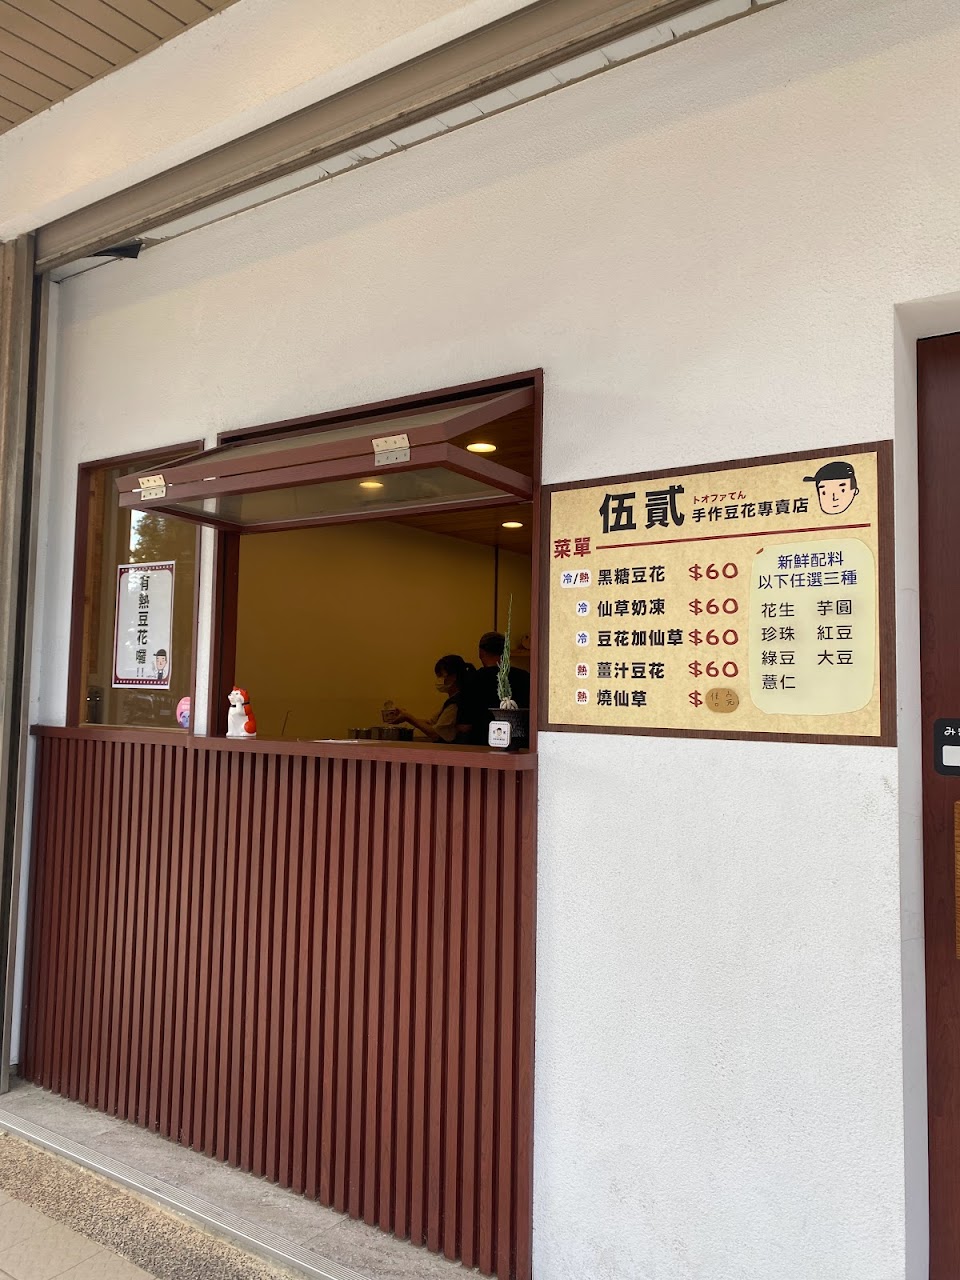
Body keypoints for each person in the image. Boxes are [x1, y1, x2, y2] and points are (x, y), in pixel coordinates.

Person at [386, 654, 475, 744]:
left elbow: (436, 734)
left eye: (441, 675)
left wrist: (408, 717)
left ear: (454, 676)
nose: (439, 680)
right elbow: (431, 723)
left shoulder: (457, 703)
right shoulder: (451, 701)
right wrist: (405, 716)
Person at [462, 632, 531, 744]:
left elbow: (464, 726)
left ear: (481, 652)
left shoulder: (472, 680)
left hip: (481, 744)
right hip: (519, 743)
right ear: (505, 651)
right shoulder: (524, 677)